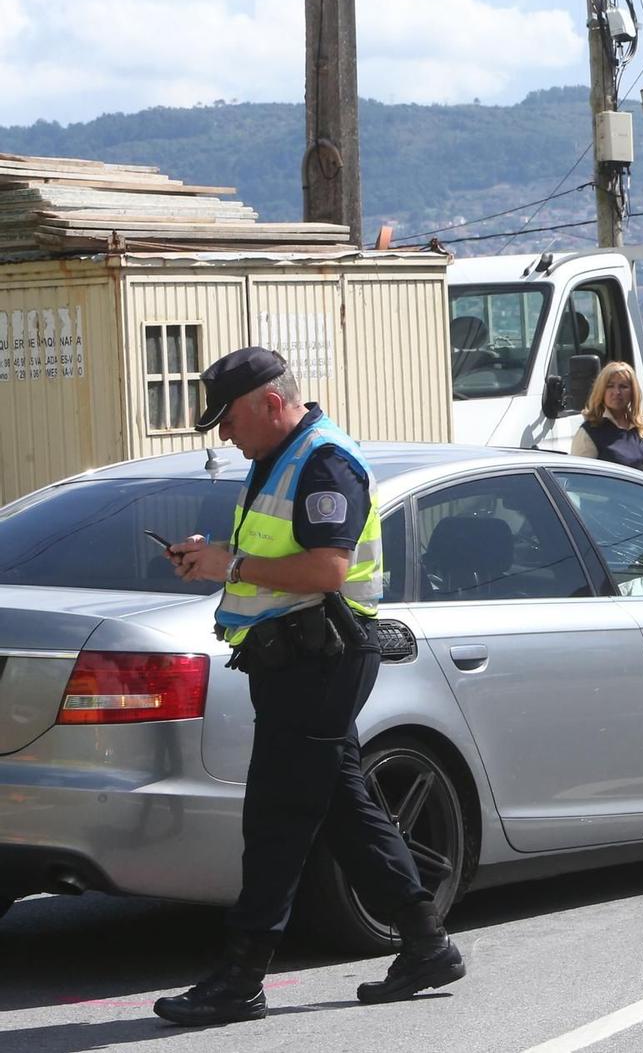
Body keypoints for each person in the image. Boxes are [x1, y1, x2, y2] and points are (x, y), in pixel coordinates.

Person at [155, 348, 464, 1026]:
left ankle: (241, 975)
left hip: (318, 660)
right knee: (340, 805)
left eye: (229, 418)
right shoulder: (281, 455)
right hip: (294, 659)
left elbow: (327, 567)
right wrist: (218, 561)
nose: (224, 434)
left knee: (275, 815)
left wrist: (228, 562)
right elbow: (279, 559)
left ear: (271, 402)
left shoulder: (324, 460)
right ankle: (426, 941)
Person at [570, 360, 643, 476]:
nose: (617, 392)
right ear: (601, 391)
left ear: (633, 392)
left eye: (623, 386)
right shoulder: (589, 433)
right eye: (610, 386)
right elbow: (580, 482)